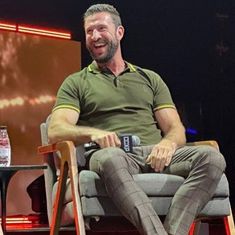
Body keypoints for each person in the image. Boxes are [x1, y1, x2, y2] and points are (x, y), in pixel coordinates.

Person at [48, 3, 226, 235]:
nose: (95, 36)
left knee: (212, 158)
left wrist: (167, 143)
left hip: (155, 154)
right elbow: (56, 129)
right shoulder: (77, 82)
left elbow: (175, 129)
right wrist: (94, 133)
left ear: (119, 32)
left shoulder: (149, 78)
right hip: (113, 155)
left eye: (101, 28)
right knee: (111, 158)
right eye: (89, 31)